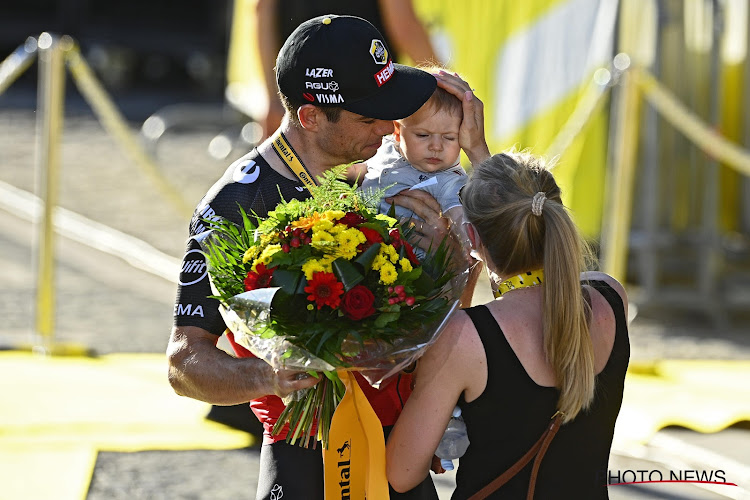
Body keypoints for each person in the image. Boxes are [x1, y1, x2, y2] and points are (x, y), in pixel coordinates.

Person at [168, 14, 489, 500]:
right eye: (368, 117)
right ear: (311, 116)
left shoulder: (391, 173)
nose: (388, 128)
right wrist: (269, 376)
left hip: (400, 446)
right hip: (307, 455)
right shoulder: (235, 203)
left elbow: (452, 313)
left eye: (388, 109)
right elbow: (184, 361)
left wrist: (454, 244)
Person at [386, 151, 630, 498]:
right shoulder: (611, 298)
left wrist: (449, 269)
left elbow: (401, 472)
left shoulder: (466, 336)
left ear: (471, 237)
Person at [253, 0, 441, 139]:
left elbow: (262, 9)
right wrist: (439, 90)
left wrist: (274, 98)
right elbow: (405, 26)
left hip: (303, 97)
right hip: (366, 99)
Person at [356, 82, 467, 258]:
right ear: (397, 132)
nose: (436, 146)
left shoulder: (448, 179)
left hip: (408, 266)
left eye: (449, 137)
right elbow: (361, 169)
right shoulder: (384, 147)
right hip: (360, 242)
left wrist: (467, 242)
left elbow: (458, 213)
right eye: (423, 135)